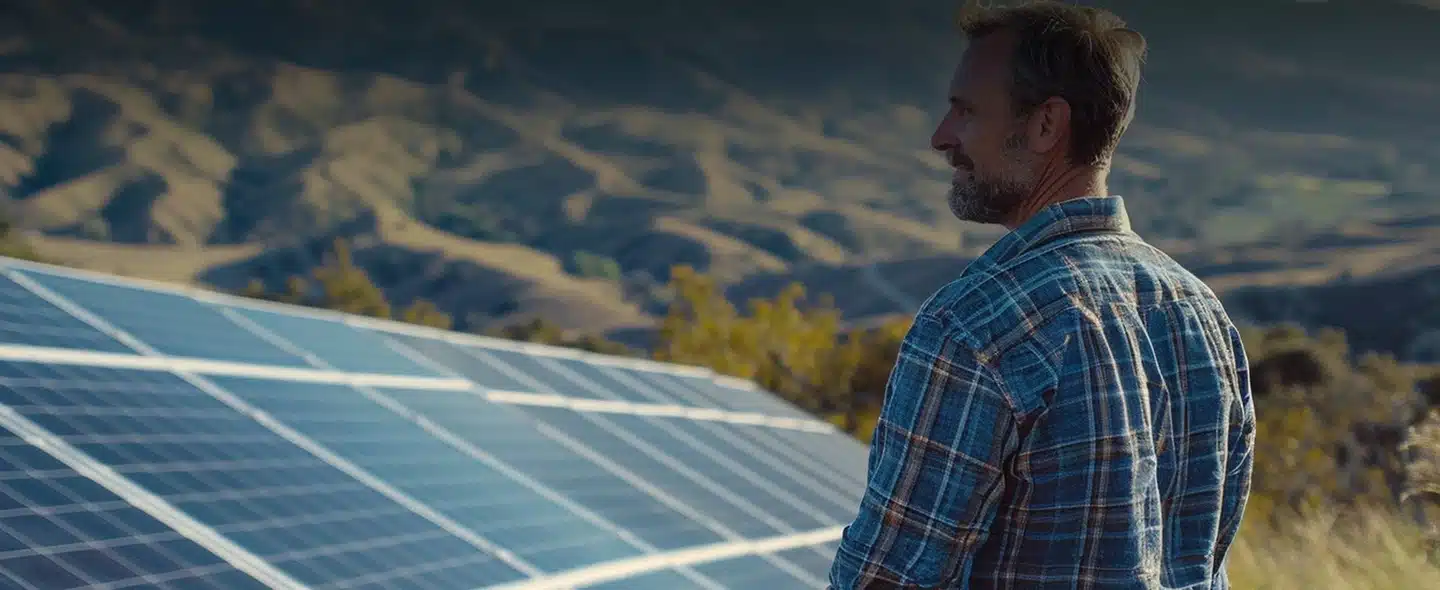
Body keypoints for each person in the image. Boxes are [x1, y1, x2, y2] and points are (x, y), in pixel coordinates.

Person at [827, 2, 1255, 588]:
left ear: (1046, 125)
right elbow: (1208, 561)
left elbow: (887, 579)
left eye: (965, 110)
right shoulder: (1203, 314)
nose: (941, 136)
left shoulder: (975, 327)